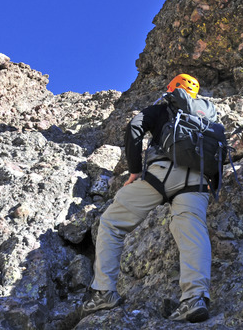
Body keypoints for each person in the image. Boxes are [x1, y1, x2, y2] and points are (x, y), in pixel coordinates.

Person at [82, 74, 212, 323]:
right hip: (197, 181)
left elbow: (133, 128)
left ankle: (103, 292)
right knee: (193, 233)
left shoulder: (162, 108)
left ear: (172, 89)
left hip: (161, 175)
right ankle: (195, 298)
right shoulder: (206, 113)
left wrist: (134, 170)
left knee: (111, 222)